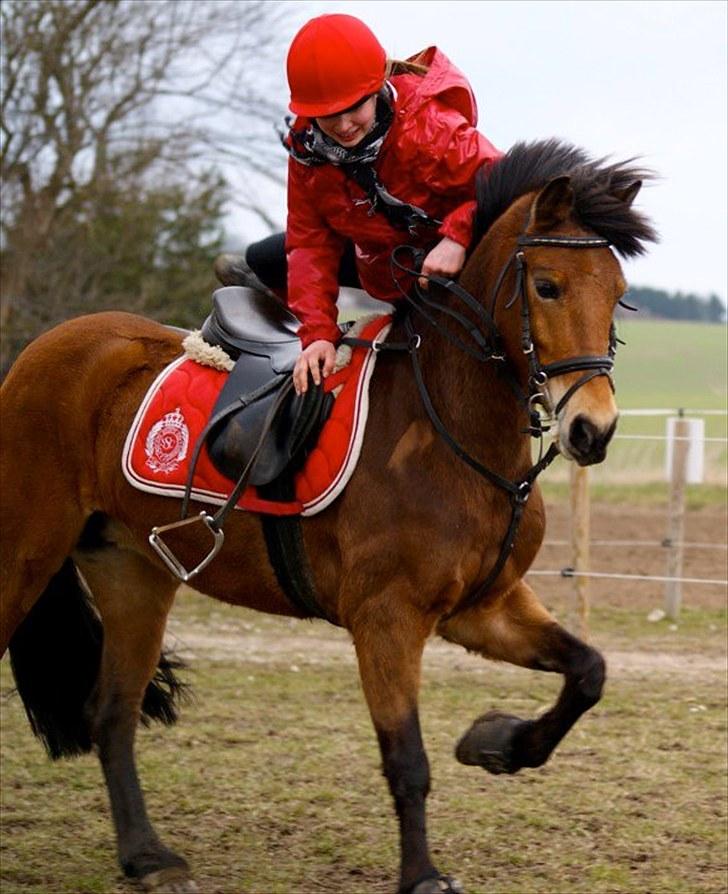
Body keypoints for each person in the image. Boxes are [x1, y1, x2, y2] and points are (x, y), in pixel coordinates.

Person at [243, 13, 502, 395]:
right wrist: (317, 334)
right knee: (261, 259)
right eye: (329, 116)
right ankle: (268, 359)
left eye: (354, 107)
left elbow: (503, 178)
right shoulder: (307, 155)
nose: (344, 124)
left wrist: (458, 237)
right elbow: (310, 243)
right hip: (385, 265)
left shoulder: (431, 126)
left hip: (452, 266)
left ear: (377, 86)